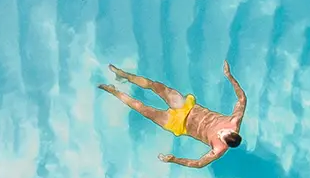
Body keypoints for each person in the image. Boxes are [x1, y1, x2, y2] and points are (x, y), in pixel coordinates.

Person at [102, 61, 246, 168]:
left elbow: (198, 164)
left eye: (220, 137)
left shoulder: (218, 149)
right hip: (187, 107)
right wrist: (229, 76)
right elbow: (242, 99)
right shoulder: (234, 121)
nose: (219, 133)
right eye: (223, 132)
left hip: (179, 125)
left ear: (225, 143)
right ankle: (123, 75)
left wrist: (173, 159)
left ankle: (113, 91)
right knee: (155, 86)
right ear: (231, 130)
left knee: (142, 108)